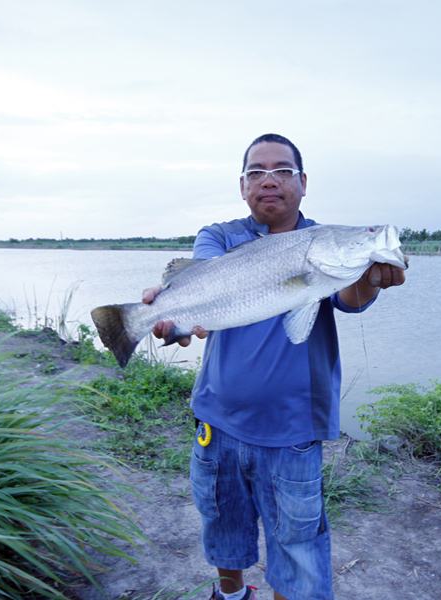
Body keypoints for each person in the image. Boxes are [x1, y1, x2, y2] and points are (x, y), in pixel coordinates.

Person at [145, 134, 406, 600]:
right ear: (242, 185)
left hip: (294, 430)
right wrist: (174, 316)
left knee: (297, 546)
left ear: (303, 183)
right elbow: (207, 279)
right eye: (257, 172)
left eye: (283, 171)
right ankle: (231, 594)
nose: (270, 180)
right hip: (218, 421)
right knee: (222, 525)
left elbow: (349, 299)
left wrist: (368, 277)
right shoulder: (219, 237)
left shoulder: (323, 244)